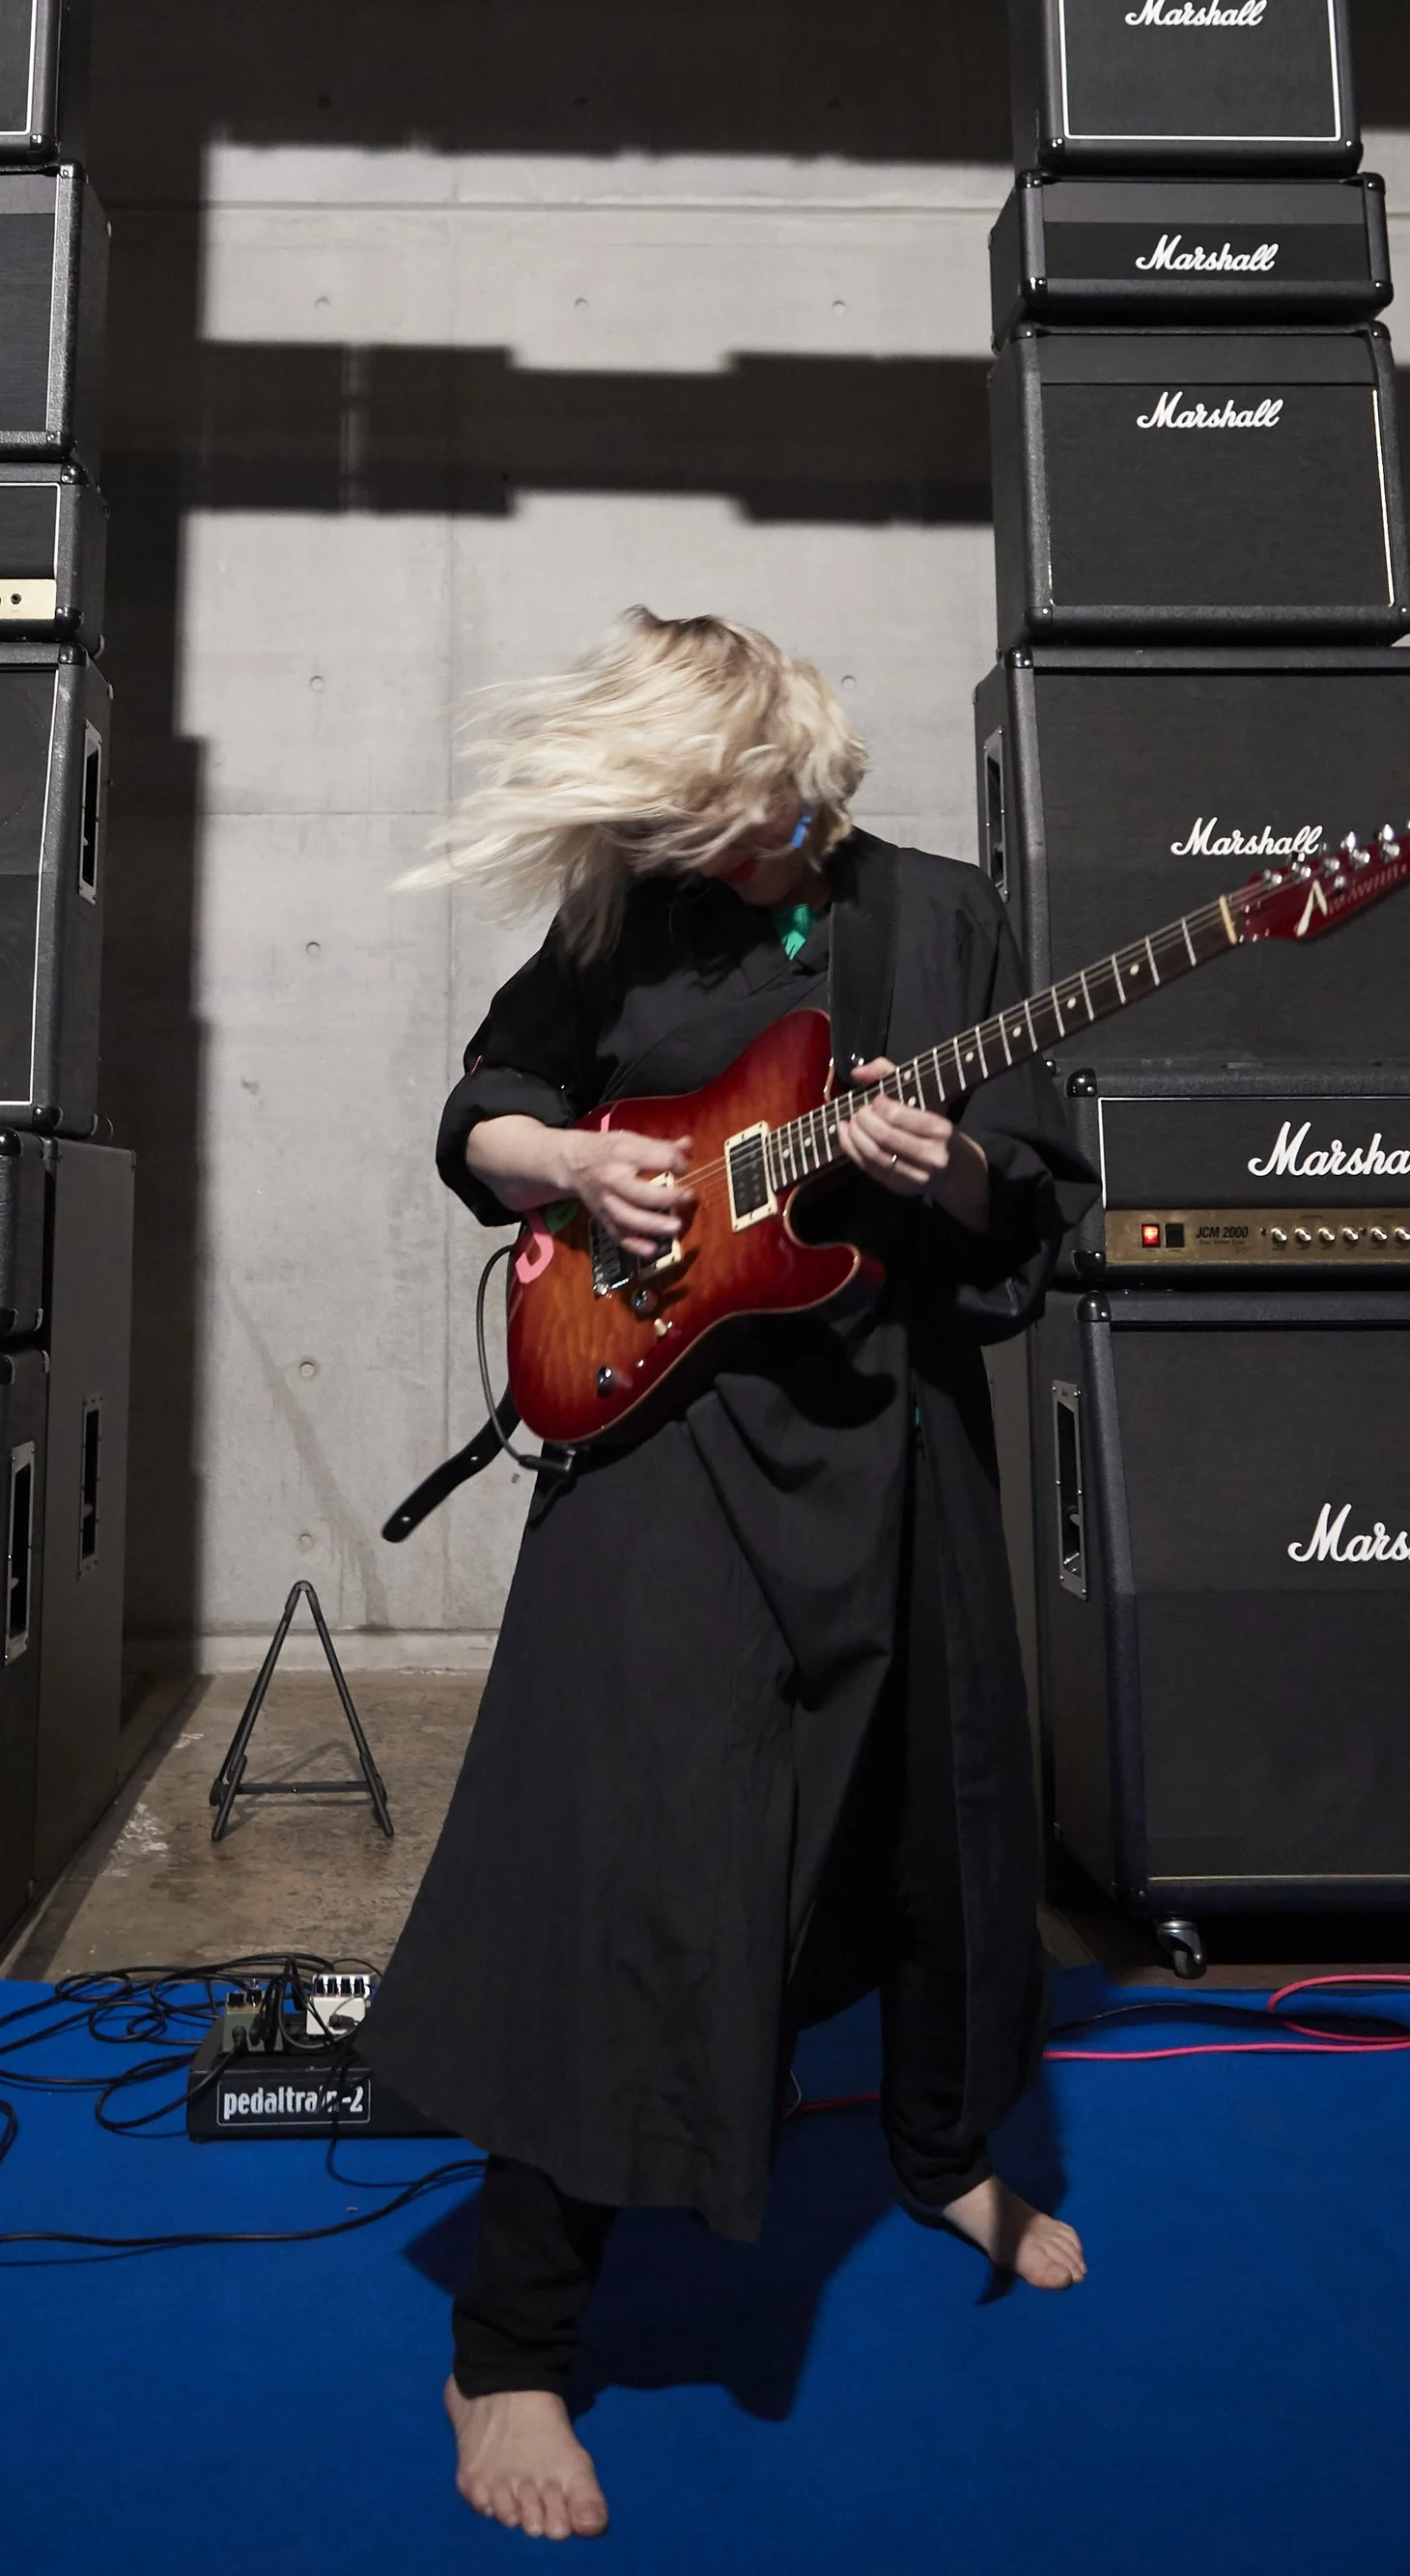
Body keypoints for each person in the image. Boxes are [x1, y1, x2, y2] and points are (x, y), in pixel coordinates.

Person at [361, 609, 1099, 2541]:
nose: (679, 843)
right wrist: (567, 1166)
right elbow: (481, 1106)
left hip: (894, 1430)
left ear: (790, 770)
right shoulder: (625, 912)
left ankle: (941, 2151)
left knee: (943, 1828)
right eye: (654, 813)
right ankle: (509, 2344)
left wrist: (942, 1168)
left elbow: (1030, 1201)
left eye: (702, 807)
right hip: (666, 1441)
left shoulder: (939, 918)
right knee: (630, 1857)